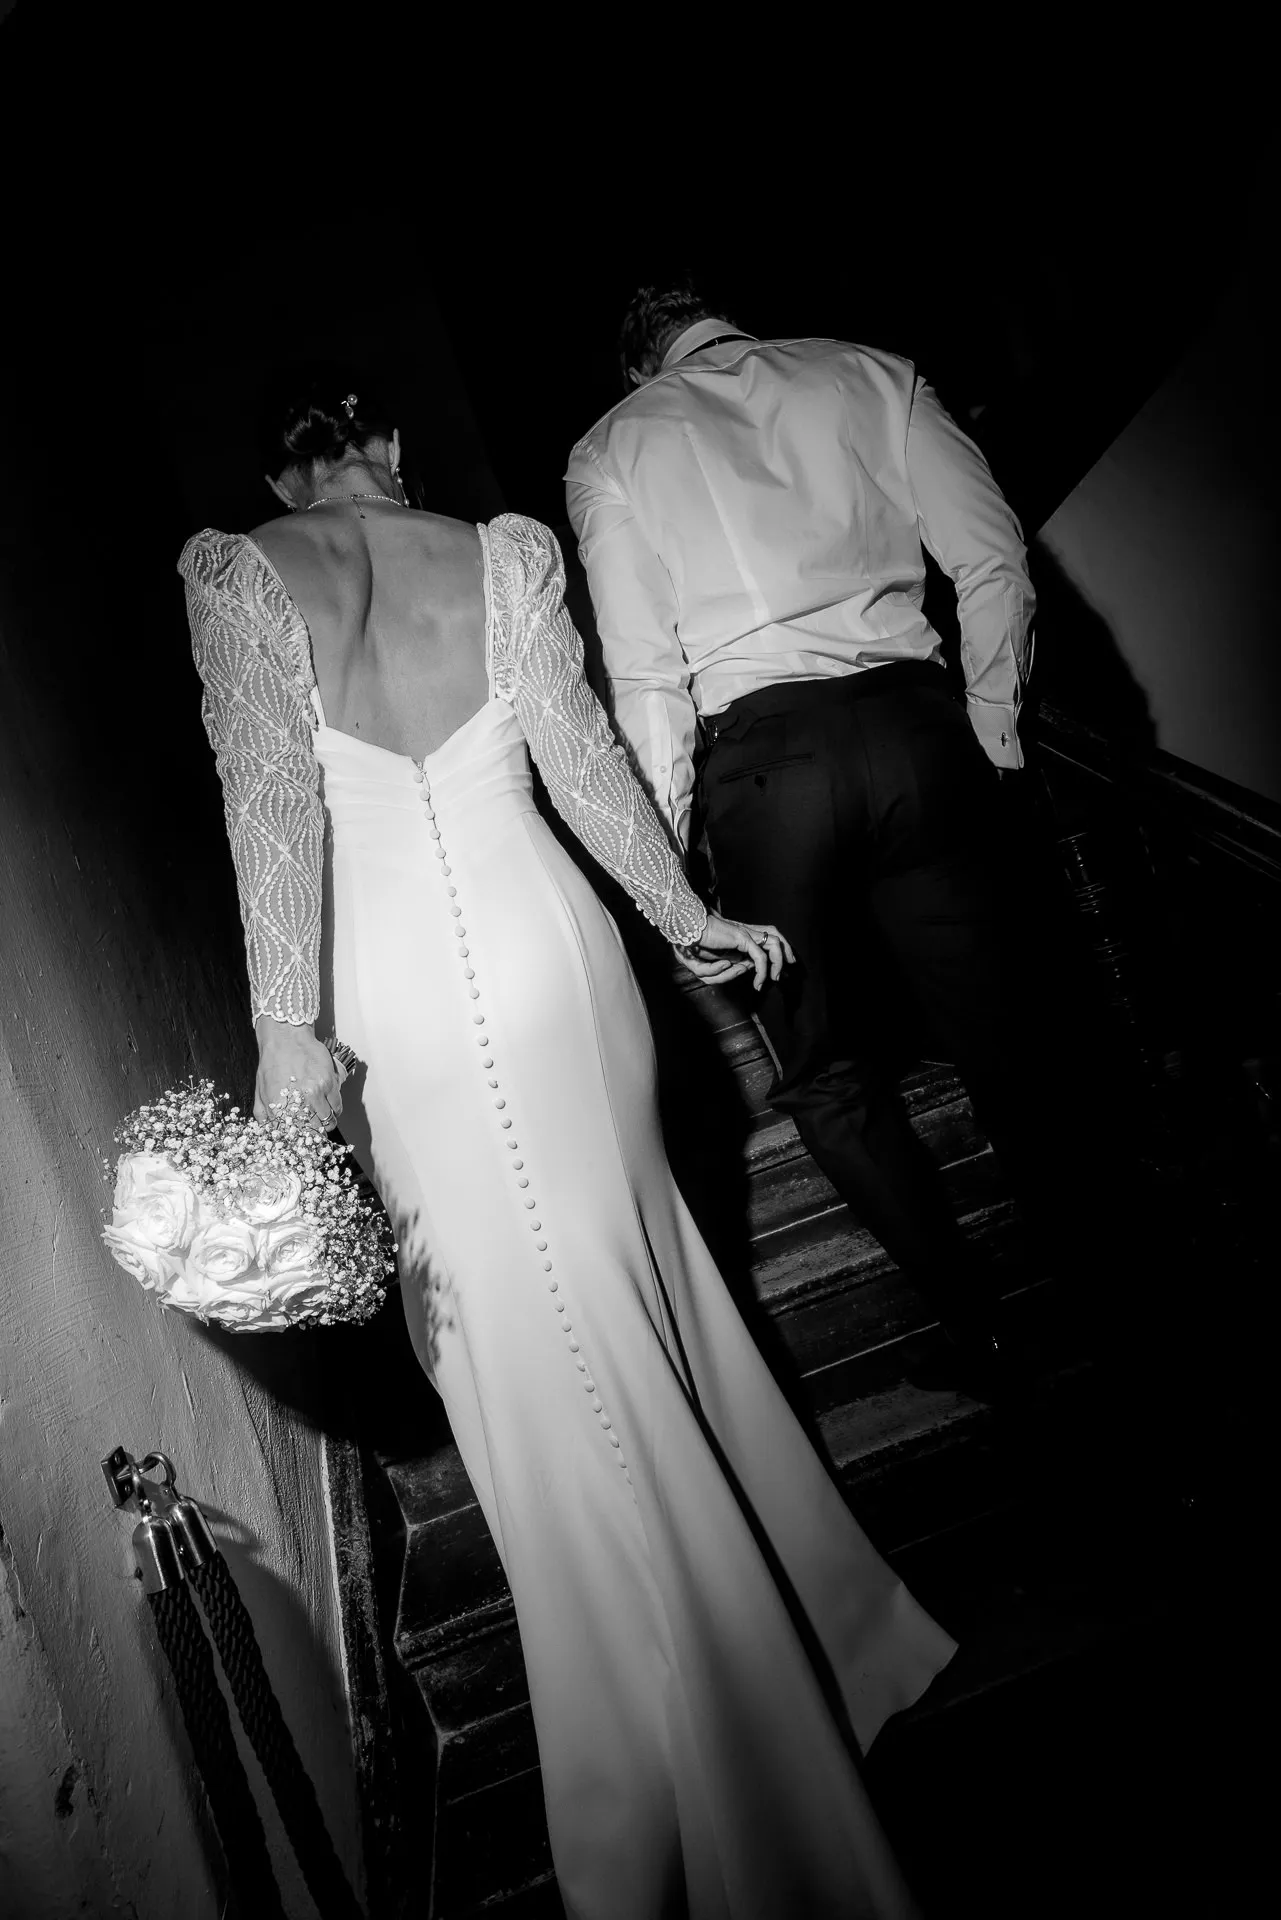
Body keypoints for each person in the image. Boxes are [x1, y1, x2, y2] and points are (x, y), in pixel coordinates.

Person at [179, 372, 955, 1920]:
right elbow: (584, 763)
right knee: (639, 1283)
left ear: (281, 467)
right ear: (385, 444)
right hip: (555, 965)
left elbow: (268, 805)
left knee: (524, 1372)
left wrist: (283, 1035)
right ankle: (797, 1623)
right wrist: (683, 915)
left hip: (385, 1001)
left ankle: (690, 1731)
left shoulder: (238, 574)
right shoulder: (506, 551)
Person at [566, 281, 1049, 1384]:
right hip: (918, 729)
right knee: (1012, 1043)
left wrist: (671, 876)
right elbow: (993, 562)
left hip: (765, 769)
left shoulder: (612, 446)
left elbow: (646, 678)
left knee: (826, 1077)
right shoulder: (877, 371)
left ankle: (985, 1333)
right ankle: (1117, 1299)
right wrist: (989, 737)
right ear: (727, 319)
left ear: (640, 366)